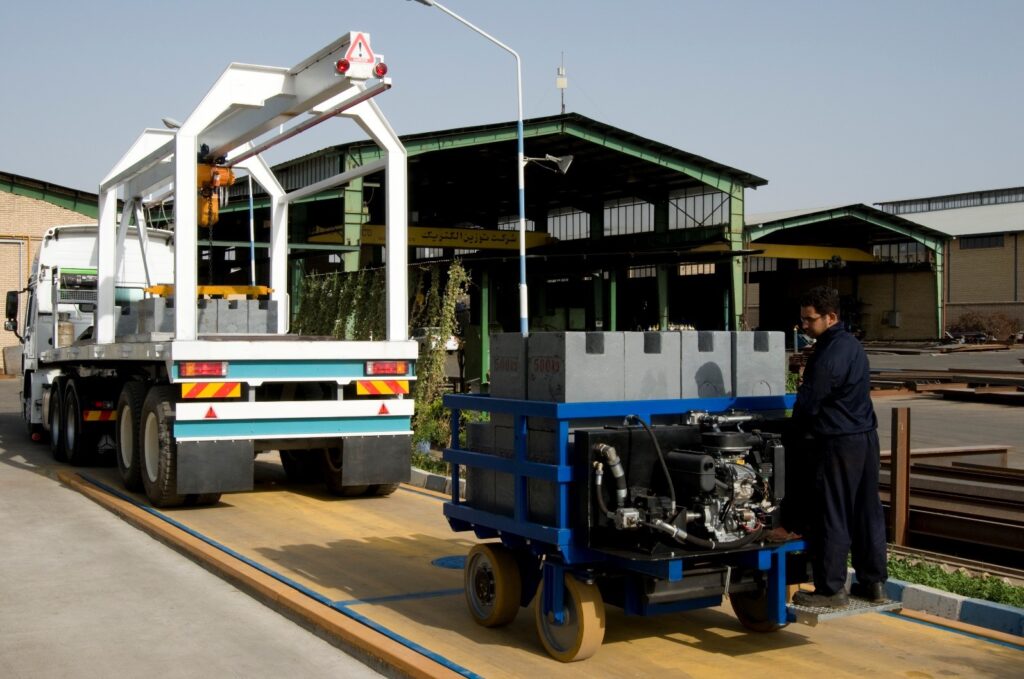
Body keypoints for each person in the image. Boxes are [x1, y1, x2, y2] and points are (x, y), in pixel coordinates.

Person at [790, 286, 888, 608]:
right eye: (803, 319)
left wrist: (793, 434)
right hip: (865, 438)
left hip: (838, 442)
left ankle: (831, 590)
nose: (805, 325)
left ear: (831, 317)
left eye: (810, 319)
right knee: (866, 510)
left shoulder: (828, 353)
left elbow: (809, 403)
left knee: (832, 513)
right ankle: (873, 583)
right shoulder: (851, 345)